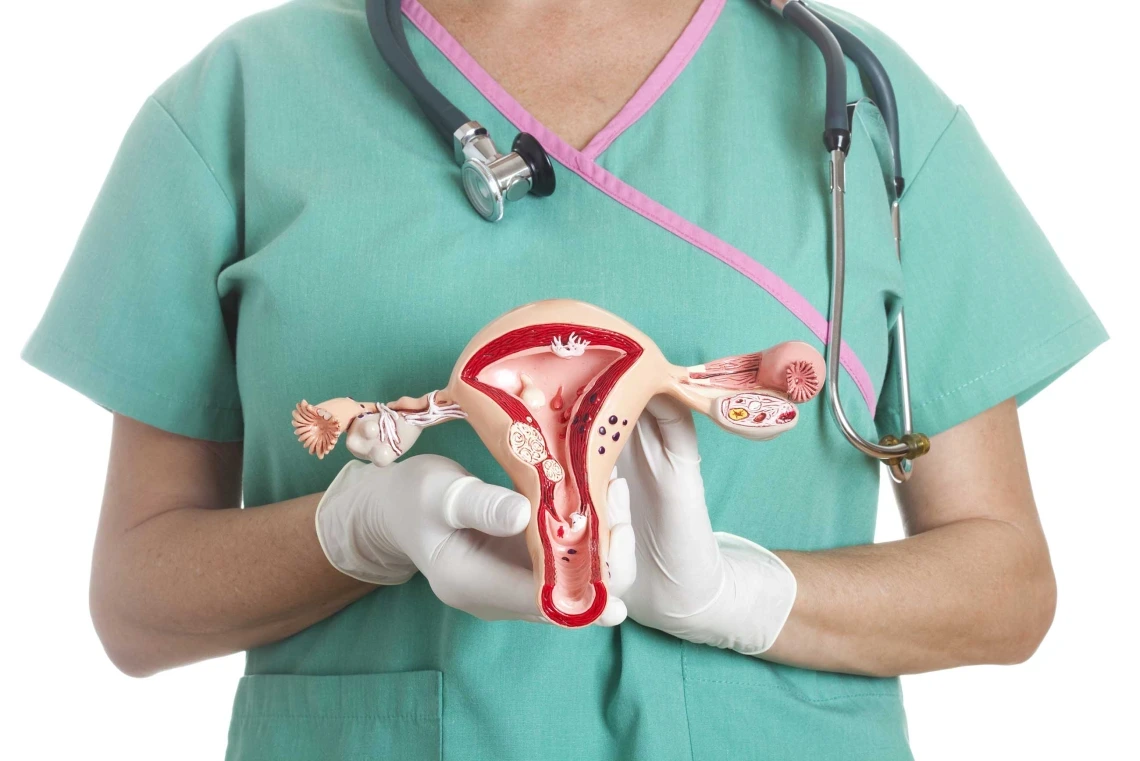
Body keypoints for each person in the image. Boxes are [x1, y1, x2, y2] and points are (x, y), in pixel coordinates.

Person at [22, 0, 1106, 758]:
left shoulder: (865, 109)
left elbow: (1005, 588)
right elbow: (135, 603)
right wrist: (355, 529)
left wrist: (747, 598)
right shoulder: (246, 103)